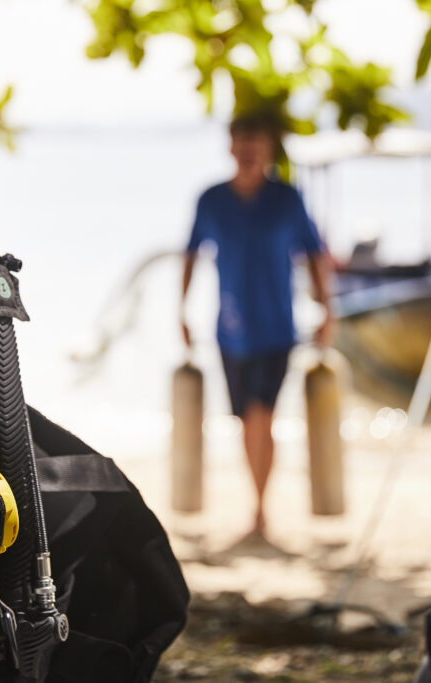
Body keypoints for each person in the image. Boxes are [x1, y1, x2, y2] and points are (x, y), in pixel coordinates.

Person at [180, 113, 333, 539]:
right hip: (229, 331)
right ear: (230, 147)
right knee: (245, 420)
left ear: (268, 150)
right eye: (241, 143)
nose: (248, 152)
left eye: (257, 144)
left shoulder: (287, 198)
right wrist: (182, 312)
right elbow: (190, 254)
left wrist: (327, 311)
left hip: (278, 330)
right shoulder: (210, 200)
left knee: (261, 417)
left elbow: (315, 254)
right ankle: (259, 504)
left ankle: (260, 509)